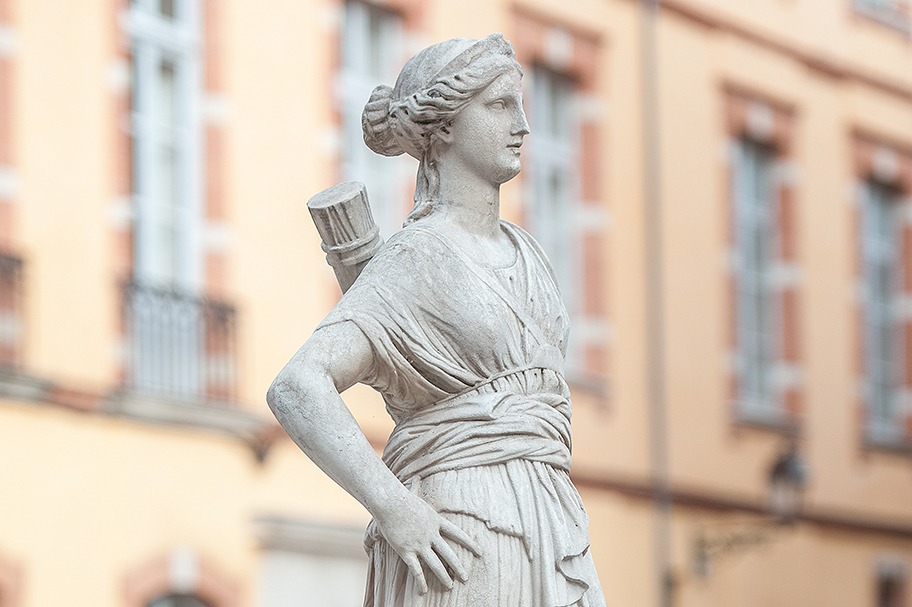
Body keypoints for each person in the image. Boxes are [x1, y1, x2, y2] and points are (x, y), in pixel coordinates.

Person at [267, 33, 606, 607]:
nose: (522, 125)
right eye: (500, 105)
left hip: (553, 523)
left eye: (520, 105)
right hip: (463, 529)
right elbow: (298, 387)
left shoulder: (530, 254)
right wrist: (395, 509)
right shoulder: (417, 257)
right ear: (444, 126)